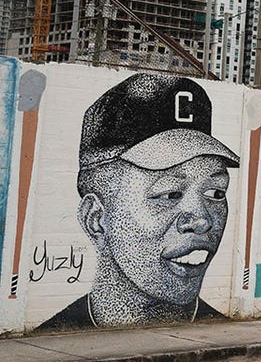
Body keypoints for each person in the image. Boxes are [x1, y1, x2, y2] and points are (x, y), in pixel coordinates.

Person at [39, 74, 240, 332]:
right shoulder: (54, 334)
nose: (202, 220)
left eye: (215, 193)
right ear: (97, 220)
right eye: (169, 194)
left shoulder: (221, 332)